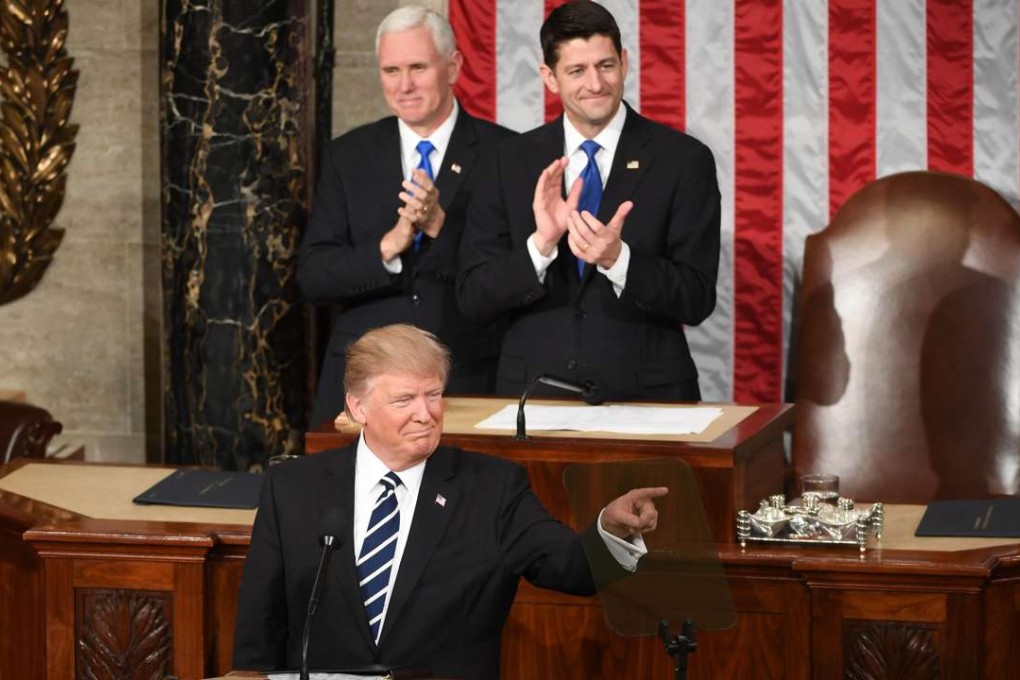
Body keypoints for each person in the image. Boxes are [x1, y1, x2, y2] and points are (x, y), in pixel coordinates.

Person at [233, 324, 667, 678]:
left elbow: (571, 567)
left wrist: (610, 530)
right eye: (404, 399)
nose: (426, 413)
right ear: (358, 407)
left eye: (434, 394)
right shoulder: (292, 487)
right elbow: (260, 626)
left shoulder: (492, 487)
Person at [457, 0, 720, 403]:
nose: (595, 84)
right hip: (534, 396)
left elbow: (697, 298)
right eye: (577, 71)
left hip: (647, 398)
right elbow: (473, 296)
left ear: (625, 62)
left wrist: (620, 260)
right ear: (549, 77)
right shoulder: (507, 161)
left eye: (606, 65)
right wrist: (540, 246)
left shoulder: (683, 160)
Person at [299, 6, 515, 428]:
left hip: (467, 377)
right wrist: (387, 248)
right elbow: (313, 275)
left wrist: (440, 226)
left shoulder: (506, 154)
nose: (405, 85)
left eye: (418, 67)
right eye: (391, 70)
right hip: (365, 385)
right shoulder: (349, 155)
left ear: (452, 67)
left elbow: (515, 279)